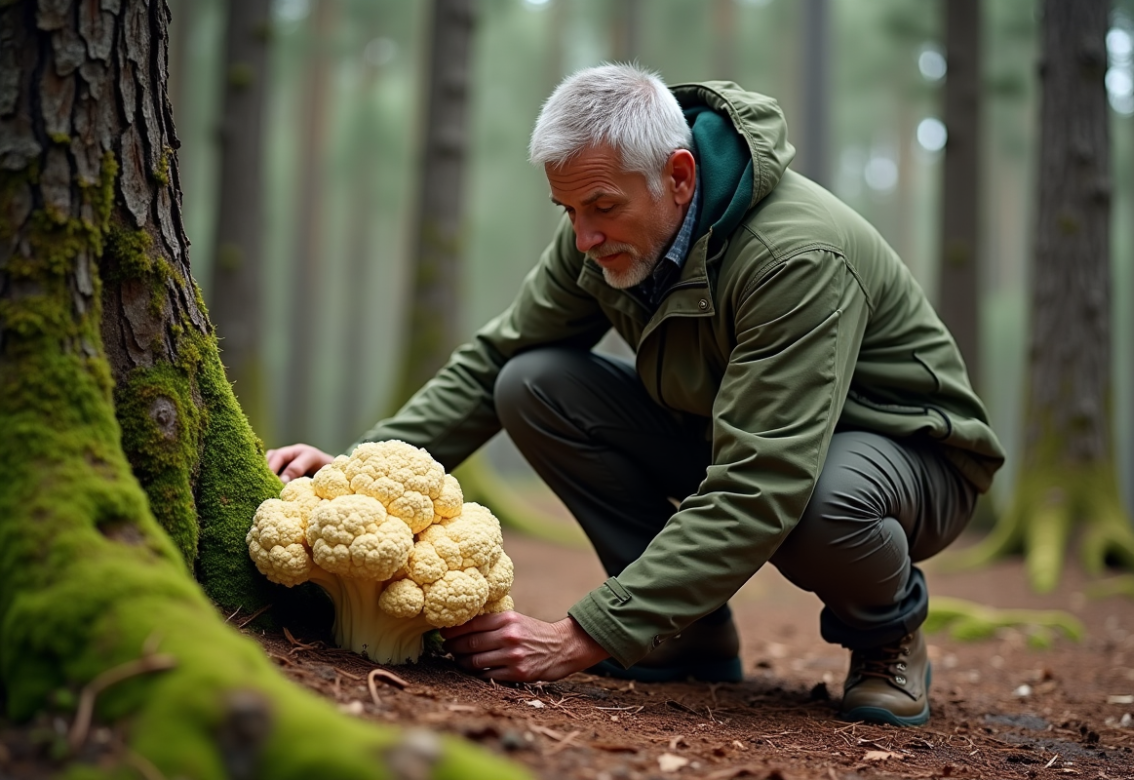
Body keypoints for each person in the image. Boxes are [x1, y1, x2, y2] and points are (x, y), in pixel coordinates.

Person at [267, 64, 1005, 727]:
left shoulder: (796, 257)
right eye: (568, 212)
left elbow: (764, 482)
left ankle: (886, 636)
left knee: (819, 503)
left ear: (679, 176)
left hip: (907, 459)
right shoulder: (602, 229)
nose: (584, 236)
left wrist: (585, 634)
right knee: (534, 383)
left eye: (601, 207)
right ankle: (684, 631)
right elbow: (501, 353)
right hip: (739, 435)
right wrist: (362, 474)